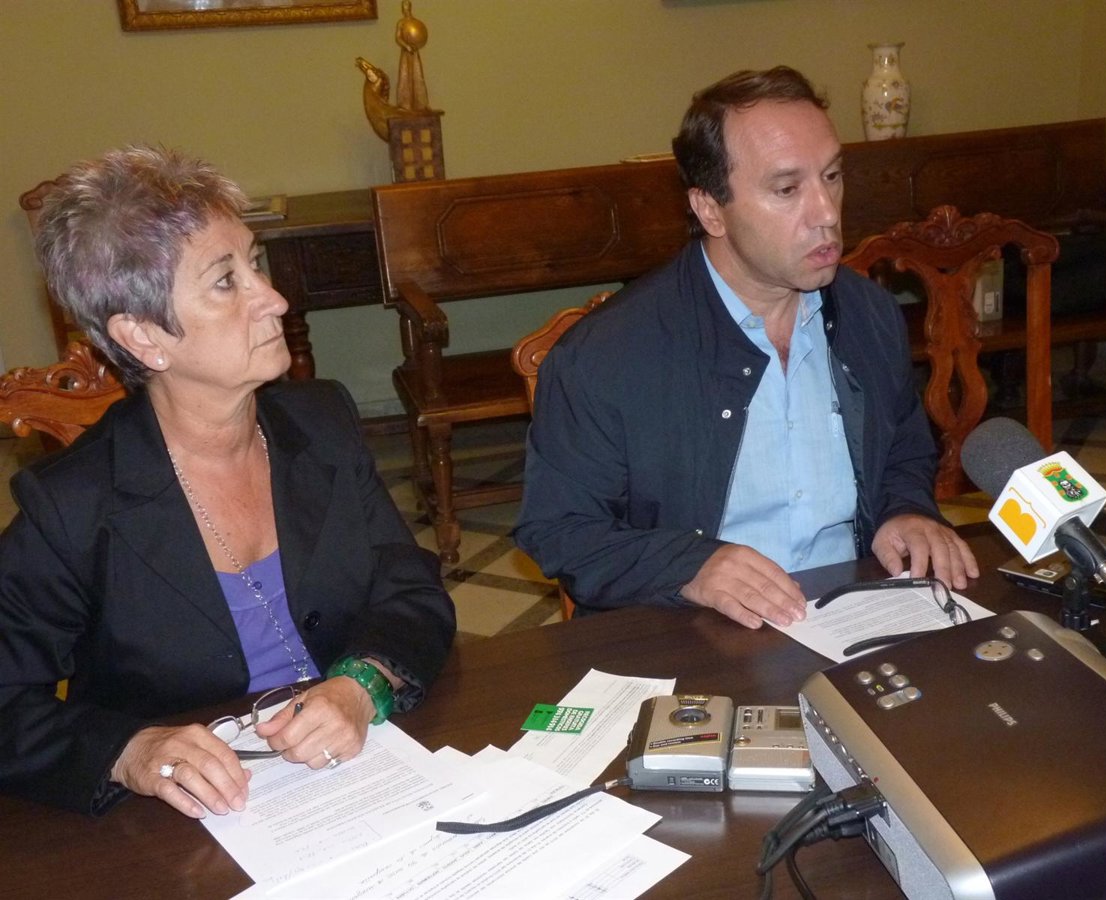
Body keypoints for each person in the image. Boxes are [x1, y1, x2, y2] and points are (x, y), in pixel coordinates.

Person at [0, 146, 456, 818]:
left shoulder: (321, 421)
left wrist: (362, 683)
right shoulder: (71, 504)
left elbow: (410, 587)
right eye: (224, 281)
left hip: (364, 774)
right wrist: (129, 751)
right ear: (143, 337)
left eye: (255, 264)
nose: (274, 299)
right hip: (193, 821)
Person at [514, 66, 978, 628]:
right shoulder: (605, 355)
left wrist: (904, 511)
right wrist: (691, 566)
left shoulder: (869, 315)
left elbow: (903, 451)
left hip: (850, 609)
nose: (826, 213)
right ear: (710, 209)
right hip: (691, 632)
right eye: (787, 189)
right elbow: (561, 532)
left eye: (832, 176)